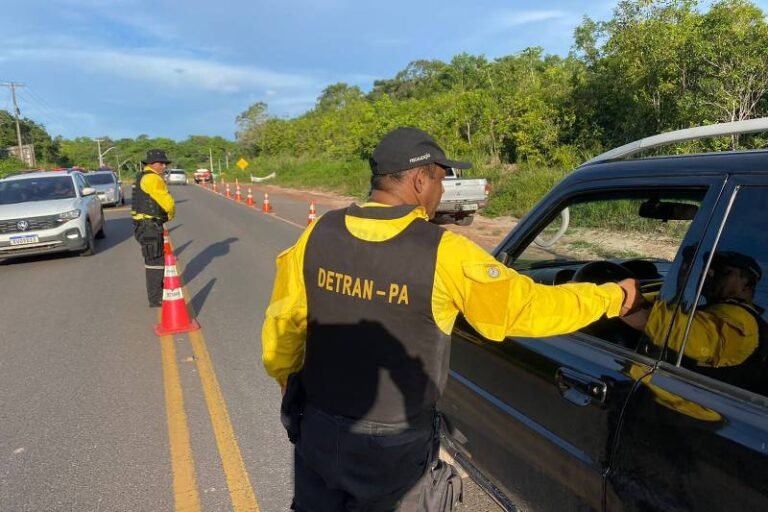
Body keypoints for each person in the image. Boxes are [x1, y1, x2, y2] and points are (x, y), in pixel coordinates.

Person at [261, 127, 642, 512]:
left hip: (320, 428)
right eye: (443, 179)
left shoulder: (316, 234)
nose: (443, 191)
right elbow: (523, 308)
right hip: (393, 447)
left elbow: (283, 330)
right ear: (420, 178)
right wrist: (616, 297)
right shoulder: (444, 252)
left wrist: (294, 397)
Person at [623, 250, 766, 393]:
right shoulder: (712, 309)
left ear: (746, 285)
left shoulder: (741, 321)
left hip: (686, 409)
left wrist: (623, 302)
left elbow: (684, 332)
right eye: (708, 268)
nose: (709, 274)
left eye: (724, 272)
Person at [131, 149, 175, 307]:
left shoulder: (142, 176)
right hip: (148, 225)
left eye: (165, 163)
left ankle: (156, 293)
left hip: (143, 225)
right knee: (155, 261)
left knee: (153, 258)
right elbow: (166, 201)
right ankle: (156, 298)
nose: (164, 165)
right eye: (161, 163)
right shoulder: (152, 179)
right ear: (152, 164)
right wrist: (170, 214)